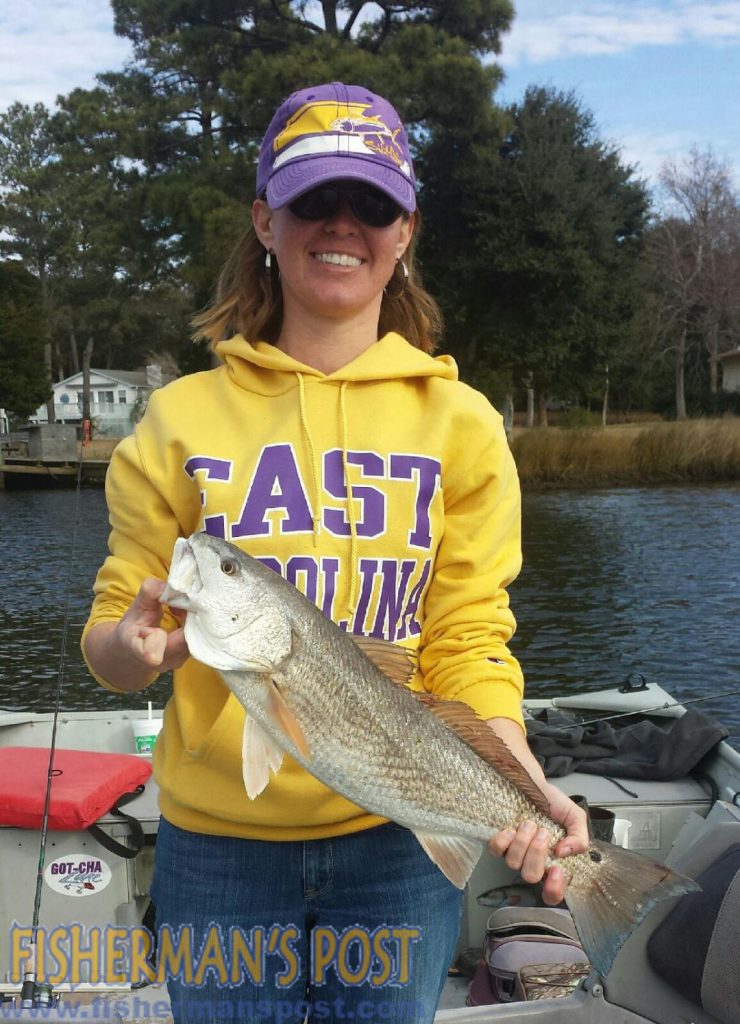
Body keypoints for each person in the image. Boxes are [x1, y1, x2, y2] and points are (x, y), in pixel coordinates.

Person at [83, 81, 588, 1023]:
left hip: (403, 840)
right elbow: (115, 631)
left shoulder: (464, 424)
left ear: (405, 231)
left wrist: (517, 776)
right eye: (315, 199)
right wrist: (131, 648)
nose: (341, 224)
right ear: (266, 220)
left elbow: (470, 634)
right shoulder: (179, 417)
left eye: (372, 203)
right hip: (218, 852)